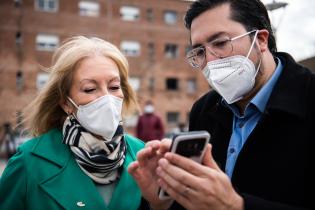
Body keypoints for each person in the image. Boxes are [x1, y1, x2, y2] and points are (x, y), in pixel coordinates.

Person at [129, 0, 315, 210]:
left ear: (261, 40)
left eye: (220, 43)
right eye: (199, 51)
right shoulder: (204, 109)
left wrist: (235, 206)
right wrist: (163, 202)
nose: (210, 60)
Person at [0, 36, 170, 210]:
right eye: (90, 89)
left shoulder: (141, 155)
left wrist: (160, 205)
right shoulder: (29, 162)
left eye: (114, 87)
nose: (107, 98)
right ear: (66, 103)